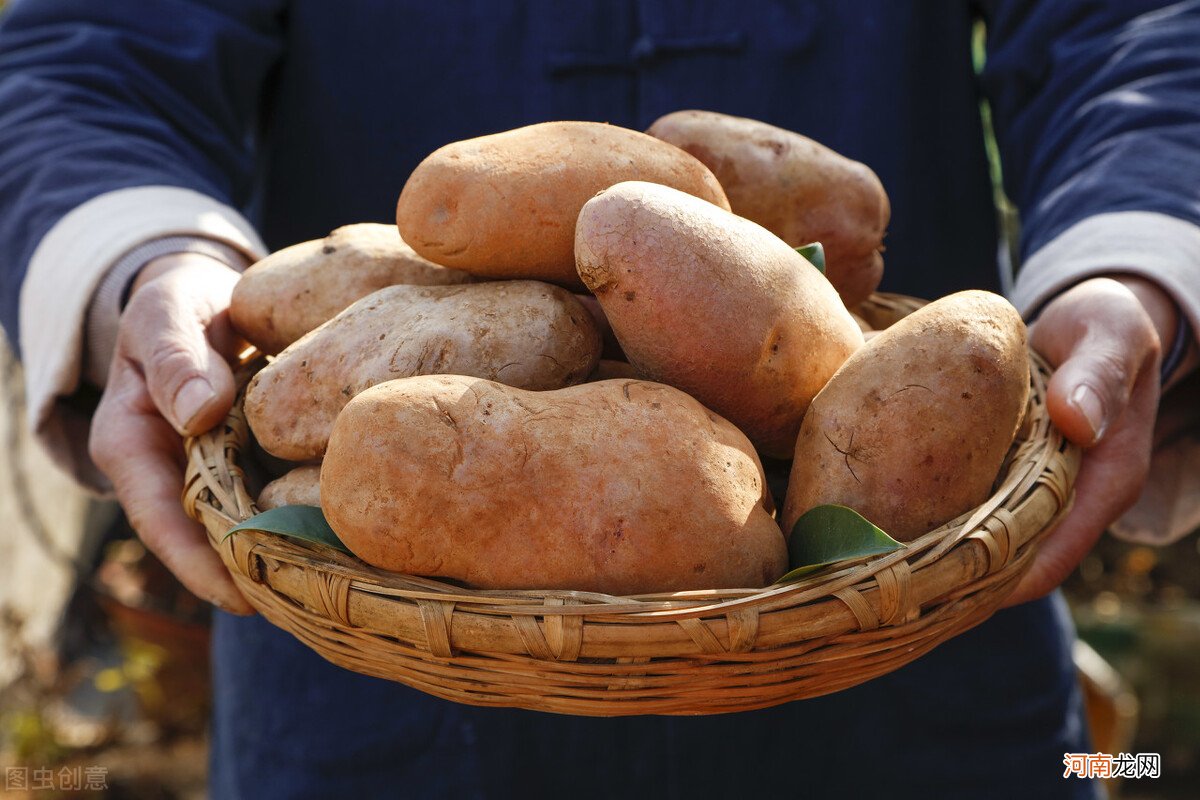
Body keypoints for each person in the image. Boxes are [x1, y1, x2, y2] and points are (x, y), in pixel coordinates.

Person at [1, 1, 1197, 797]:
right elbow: (94, 49)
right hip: (374, 665)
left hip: (913, 621)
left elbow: (1134, 27)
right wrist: (142, 271)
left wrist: (1135, 262)